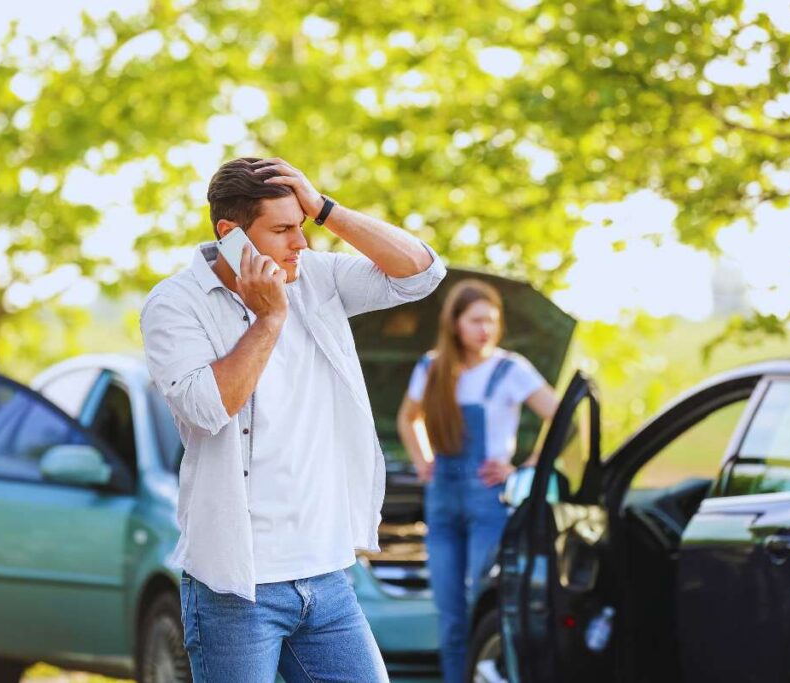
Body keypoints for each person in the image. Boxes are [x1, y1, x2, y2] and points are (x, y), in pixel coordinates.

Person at [140, 156, 446, 682]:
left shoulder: (317, 277)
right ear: (230, 234)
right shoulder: (174, 305)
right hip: (236, 586)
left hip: (326, 576)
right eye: (283, 230)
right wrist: (270, 318)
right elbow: (209, 406)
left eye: (301, 226)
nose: (299, 243)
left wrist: (326, 209)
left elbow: (421, 274)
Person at [396, 278, 558, 683]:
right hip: (442, 502)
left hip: (490, 503)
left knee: (481, 606)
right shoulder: (431, 367)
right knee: (449, 614)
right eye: (476, 320)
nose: (485, 329)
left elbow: (561, 416)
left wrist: (524, 468)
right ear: (455, 323)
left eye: (492, 320)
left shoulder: (510, 369)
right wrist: (423, 461)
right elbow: (407, 417)